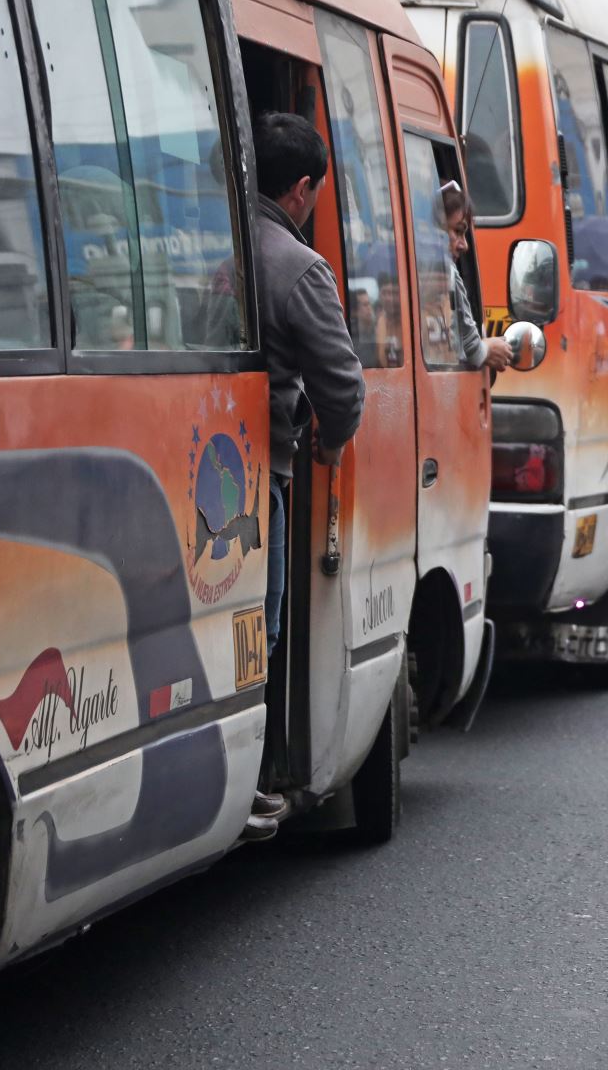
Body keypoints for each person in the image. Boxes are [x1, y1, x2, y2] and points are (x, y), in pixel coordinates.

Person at [249, 112, 366, 835]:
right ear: (300, 190)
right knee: (258, 623)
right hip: (259, 474)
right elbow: (344, 389)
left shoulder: (210, 244)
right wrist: (327, 448)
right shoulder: (299, 267)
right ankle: (255, 779)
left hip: (186, 462)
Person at [438, 181, 511, 371]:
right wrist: (489, 348)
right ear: (436, 228)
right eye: (458, 231)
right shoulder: (446, 272)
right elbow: (471, 347)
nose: (464, 245)